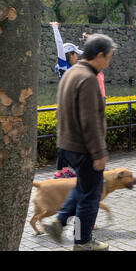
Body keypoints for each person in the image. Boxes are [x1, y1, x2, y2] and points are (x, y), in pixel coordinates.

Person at [44, 34, 117, 251]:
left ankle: (58, 221)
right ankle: (82, 241)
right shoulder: (87, 78)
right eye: (109, 57)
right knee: (90, 197)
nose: (109, 62)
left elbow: (59, 112)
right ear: (100, 55)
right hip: (84, 147)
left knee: (82, 186)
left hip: (67, 145)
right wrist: (99, 152)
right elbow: (90, 120)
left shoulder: (71, 72)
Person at [50, 22, 82, 179]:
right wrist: (55, 27)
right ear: (69, 55)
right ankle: (61, 171)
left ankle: (63, 170)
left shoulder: (67, 68)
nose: (76, 57)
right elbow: (59, 44)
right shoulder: (63, 65)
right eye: (75, 54)